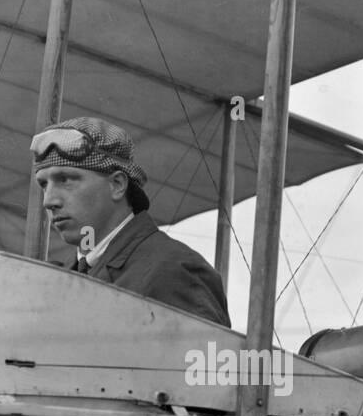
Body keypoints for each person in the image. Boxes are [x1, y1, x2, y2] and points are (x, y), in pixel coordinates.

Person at [31, 117, 230, 326]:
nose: (48, 201)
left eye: (66, 180)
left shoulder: (173, 272)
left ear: (117, 185)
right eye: (44, 185)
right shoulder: (58, 280)